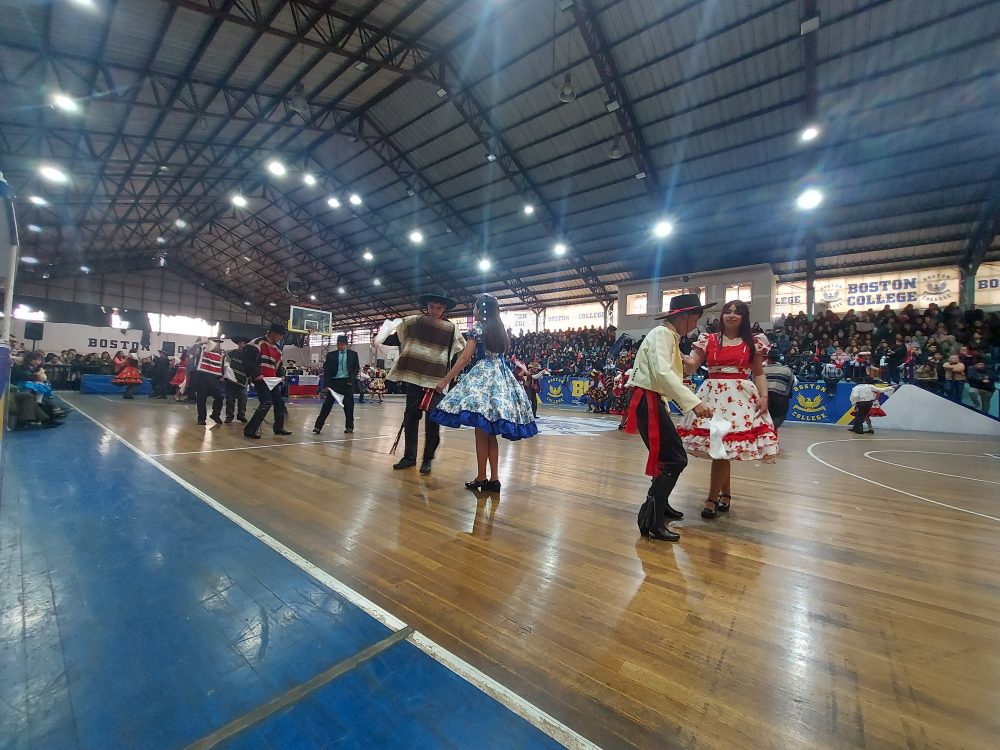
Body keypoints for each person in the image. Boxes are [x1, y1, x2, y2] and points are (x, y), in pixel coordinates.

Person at [624, 294, 714, 542]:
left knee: (668, 457)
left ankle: (659, 506)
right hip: (648, 399)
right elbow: (663, 373)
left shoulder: (667, 337)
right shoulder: (662, 335)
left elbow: (673, 370)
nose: (695, 325)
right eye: (694, 319)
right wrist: (693, 403)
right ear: (683, 316)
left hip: (650, 399)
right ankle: (650, 517)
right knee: (674, 459)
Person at [678, 299, 778, 519]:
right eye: (728, 311)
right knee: (721, 449)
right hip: (713, 397)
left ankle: (713, 498)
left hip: (739, 398)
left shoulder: (753, 343)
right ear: (721, 316)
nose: (731, 315)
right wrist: (676, 355)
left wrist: (764, 396)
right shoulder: (709, 340)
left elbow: (758, 372)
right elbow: (692, 366)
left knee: (722, 450)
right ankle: (725, 495)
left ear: (744, 318)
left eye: (737, 312)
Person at [430, 294, 538, 491]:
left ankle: (481, 477)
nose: (474, 311)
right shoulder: (500, 329)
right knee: (491, 434)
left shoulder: (478, 328)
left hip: (483, 377)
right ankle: (494, 479)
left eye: (475, 307)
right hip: (501, 377)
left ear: (481, 309)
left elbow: (464, 359)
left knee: (481, 432)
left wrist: (446, 379)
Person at [385, 288, 467, 474]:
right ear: (427, 307)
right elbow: (399, 334)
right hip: (415, 377)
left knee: (432, 420)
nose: (434, 310)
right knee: (411, 417)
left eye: (438, 307)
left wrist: (448, 378)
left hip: (436, 381)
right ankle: (409, 457)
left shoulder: (451, 329)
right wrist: (381, 335)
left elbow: (460, 351)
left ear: (444, 308)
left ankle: (428, 458)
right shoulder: (417, 322)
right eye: (431, 307)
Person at [243, 323, 292, 439]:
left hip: (272, 380)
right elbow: (247, 360)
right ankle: (250, 430)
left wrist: (281, 375)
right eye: (280, 335)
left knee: (279, 403)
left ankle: (279, 428)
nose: (281, 338)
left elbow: (279, 365)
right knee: (266, 402)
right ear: (273, 333)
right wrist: (256, 374)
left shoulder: (277, 348)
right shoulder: (257, 343)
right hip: (261, 379)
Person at [313, 335, 360, 434]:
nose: (340, 346)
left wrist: (351, 379)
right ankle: (318, 426)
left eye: (342, 344)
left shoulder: (353, 354)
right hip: (334, 383)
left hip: (347, 382)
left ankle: (349, 427)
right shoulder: (331, 355)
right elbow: (327, 370)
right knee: (327, 405)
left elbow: (356, 368)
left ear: (346, 345)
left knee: (348, 406)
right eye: (338, 344)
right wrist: (326, 385)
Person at [188, 337, 226, 425]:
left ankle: (215, 414)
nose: (218, 345)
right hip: (202, 378)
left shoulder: (222, 354)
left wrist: (222, 376)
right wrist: (200, 343)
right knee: (201, 399)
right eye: (216, 343)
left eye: (219, 343)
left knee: (220, 397)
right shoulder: (202, 351)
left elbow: (223, 366)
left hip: (215, 379)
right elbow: (190, 351)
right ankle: (201, 419)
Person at [763, 349, 796, 428]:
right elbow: (792, 383)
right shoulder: (787, 370)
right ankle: (772, 429)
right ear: (779, 358)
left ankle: (768, 431)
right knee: (779, 417)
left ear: (768, 359)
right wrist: (786, 395)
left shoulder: (762, 370)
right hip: (781, 398)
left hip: (766, 398)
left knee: (766, 418)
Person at [223, 336, 250, 423]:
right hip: (230, 381)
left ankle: (241, 415)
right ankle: (229, 416)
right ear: (238, 344)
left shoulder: (248, 357)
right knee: (230, 399)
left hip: (243, 381)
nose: (243, 345)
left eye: (245, 343)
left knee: (243, 397)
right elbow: (225, 365)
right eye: (241, 343)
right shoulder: (230, 354)